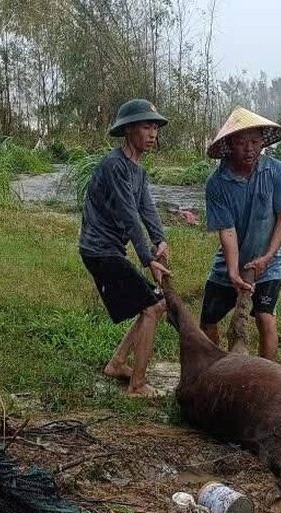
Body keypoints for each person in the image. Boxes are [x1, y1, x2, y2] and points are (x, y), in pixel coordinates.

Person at [79, 99, 172, 397]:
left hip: (111, 251)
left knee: (154, 305)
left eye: (155, 127)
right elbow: (128, 213)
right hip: (99, 251)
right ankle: (138, 384)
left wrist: (161, 240)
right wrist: (147, 258)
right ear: (129, 129)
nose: (153, 133)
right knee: (152, 306)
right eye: (146, 126)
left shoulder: (138, 171)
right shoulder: (114, 166)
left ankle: (118, 363)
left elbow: (146, 207)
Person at [199, 107, 281, 361]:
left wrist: (267, 257)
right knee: (208, 320)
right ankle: (216, 371)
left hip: (269, 262)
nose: (249, 149)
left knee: (265, 319)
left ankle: (268, 379)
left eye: (255, 142)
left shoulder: (277, 172)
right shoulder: (217, 183)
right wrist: (233, 271)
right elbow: (228, 230)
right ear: (229, 145)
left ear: (263, 143)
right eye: (242, 142)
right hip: (228, 263)